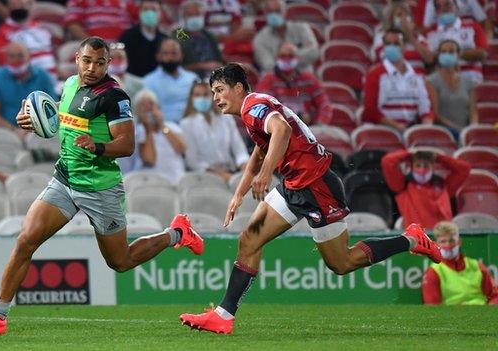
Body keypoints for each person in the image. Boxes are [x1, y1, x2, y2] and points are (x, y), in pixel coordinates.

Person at [0, 37, 203, 335]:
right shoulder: (70, 84)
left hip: (100, 187)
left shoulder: (115, 97)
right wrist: (32, 121)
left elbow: (127, 145)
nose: (92, 68)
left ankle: (177, 233)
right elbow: (61, 123)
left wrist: (97, 146)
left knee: (121, 261)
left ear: (107, 64)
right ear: (77, 58)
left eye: (99, 63)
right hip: (65, 178)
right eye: (87, 60)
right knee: (26, 240)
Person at [179, 63, 442, 334]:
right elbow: (259, 153)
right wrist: (238, 195)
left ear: (238, 88)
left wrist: (266, 174)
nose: (215, 99)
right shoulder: (253, 112)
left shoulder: (252, 105)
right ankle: (224, 315)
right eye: (213, 93)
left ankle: (412, 239)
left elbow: (282, 130)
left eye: (220, 90)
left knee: (342, 263)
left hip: (317, 186)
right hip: (294, 186)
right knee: (249, 239)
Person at [363, 30, 434, 132]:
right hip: (383, 129)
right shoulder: (374, 75)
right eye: (388, 44)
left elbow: (426, 108)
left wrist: (426, 126)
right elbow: (370, 111)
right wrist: (398, 126)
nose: (392, 47)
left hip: (410, 129)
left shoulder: (417, 76)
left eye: (396, 44)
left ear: (404, 46)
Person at [381, 150, 471, 229]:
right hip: (418, 239)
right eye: (418, 165)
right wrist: (410, 154)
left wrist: (438, 157)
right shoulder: (402, 186)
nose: (422, 170)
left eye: (426, 166)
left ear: (433, 167)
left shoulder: (444, 186)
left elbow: (464, 169)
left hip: (442, 238)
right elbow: (388, 161)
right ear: (412, 167)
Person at [0, 42, 56, 137]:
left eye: (20, 56)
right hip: (5, 132)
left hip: (38, 130)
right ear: (6, 58)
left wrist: (30, 130)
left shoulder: (42, 76)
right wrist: (14, 131)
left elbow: (51, 109)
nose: (16, 60)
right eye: (11, 56)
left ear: (29, 57)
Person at [181, 80, 249, 180]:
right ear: (191, 98)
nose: (202, 98)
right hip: (205, 176)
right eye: (197, 95)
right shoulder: (186, 124)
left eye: (206, 95)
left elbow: (239, 150)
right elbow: (192, 161)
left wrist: (245, 167)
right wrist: (222, 175)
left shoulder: (226, 117)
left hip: (233, 172)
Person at [256, 42, 332, 125]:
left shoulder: (309, 79)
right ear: (276, 58)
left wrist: (320, 124)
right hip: (278, 128)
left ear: (297, 58)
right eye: (283, 56)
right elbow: (262, 109)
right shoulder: (267, 81)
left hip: (308, 129)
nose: (287, 59)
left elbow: (324, 103)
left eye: (290, 56)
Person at [422, 221, 498, 305]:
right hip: (452, 316)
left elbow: (494, 296)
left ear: (459, 242)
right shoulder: (433, 273)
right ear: (436, 244)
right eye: (443, 242)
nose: (448, 245)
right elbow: (433, 308)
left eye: (452, 241)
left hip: (482, 313)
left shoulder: (477, 266)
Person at [0, 0, 57, 81]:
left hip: (53, 81)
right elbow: (7, 65)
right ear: (8, 7)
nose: (18, 8)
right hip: (27, 82)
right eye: (14, 5)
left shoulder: (41, 28)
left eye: (22, 5)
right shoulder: (1, 33)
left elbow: (53, 55)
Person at [426, 0, 488, 84]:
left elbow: (483, 54)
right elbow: (429, 60)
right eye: (438, 7)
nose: (443, 9)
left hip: (469, 77)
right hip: (442, 80)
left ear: (457, 8)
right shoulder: (430, 32)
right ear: (436, 12)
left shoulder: (473, 26)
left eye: (447, 4)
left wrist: (454, 54)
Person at [426, 39, 479, 135]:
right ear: (439, 55)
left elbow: (473, 111)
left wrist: (472, 127)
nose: (447, 54)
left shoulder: (468, 81)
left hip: (465, 130)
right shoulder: (431, 81)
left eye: (451, 51)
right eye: (444, 52)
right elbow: (435, 114)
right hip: (443, 132)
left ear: (458, 55)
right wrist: (457, 130)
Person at [135, 89, 187, 182]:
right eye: (143, 105)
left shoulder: (172, 127)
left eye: (151, 103)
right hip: (151, 181)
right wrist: (148, 129)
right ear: (138, 112)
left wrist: (162, 126)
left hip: (176, 178)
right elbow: (149, 160)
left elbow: (182, 149)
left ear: (158, 107)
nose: (148, 108)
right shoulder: (137, 131)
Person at [253, 0, 319, 72]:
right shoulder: (260, 39)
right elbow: (268, 65)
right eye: (270, 12)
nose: (274, 15)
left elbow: (314, 52)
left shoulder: (302, 28)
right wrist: (297, 54)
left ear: (284, 11)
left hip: (304, 77)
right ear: (265, 13)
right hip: (275, 80)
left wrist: (281, 58)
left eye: (277, 11)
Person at [143, 38, 198, 124]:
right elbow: (150, 112)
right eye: (165, 53)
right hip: (163, 129)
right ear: (158, 56)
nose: (170, 57)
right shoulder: (148, 81)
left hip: (192, 126)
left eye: (174, 53)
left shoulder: (192, 79)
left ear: (181, 56)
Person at [371, 2, 433, 71]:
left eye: (406, 15)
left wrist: (410, 37)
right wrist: (414, 55)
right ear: (391, 19)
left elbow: (429, 59)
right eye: (399, 15)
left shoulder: (419, 38)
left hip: (417, 76)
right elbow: (384, 56)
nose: (403, 18)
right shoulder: (383, 35)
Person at [118, 0, 167, 77]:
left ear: (160, 14)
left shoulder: (165, 40)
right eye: (145, 9)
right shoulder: (127, 37)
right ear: (139, 13)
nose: (149, 13)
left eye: (153, 9)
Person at [173, 0, 224, 76]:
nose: (194, 18)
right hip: (190, 80)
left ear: (203, 15)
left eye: (197, 14)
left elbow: (220, 61)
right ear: (184, 17)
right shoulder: (178, 35)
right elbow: (175, 67)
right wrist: (202, 66)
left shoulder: (209, 35)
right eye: (190, 15)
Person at [65, 0, 138, 42]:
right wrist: (92, 43)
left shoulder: (128, 1)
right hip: (91, 44)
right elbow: (73, 24)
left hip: (123, 46)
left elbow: (139, 23)